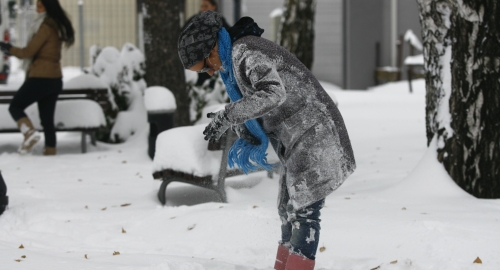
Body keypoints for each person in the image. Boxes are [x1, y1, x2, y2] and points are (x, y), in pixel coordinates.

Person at [178, 11, 356, 270]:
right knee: (287, 211)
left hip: (315, 133)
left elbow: (273, 92)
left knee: (303, 212)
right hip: (297, 138)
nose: (209, 72)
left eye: (205, 65)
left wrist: (229, 114)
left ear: (213, 46)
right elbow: (256, 106)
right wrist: (234, 119)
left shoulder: (245, 52)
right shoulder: (235, 57)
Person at [0, 0, 74, 155]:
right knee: (47, 121)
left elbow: (28, 52)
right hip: (55, 79)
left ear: (48, 8)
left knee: (15, 106)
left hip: (41, 77)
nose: (37, 9)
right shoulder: (56, 27)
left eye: (40, 6)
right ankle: (50, 152)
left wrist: (8, 48)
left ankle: (29, 133)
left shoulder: (45, 27)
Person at [184, 0, 230, 87]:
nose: (203, 9)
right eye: (202, 6)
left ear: (214, 7)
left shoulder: (219, 20)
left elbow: (228, 37)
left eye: (205, 6)